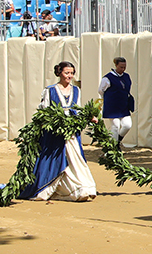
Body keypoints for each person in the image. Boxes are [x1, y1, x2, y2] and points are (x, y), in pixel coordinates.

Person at [21, 62, 97, 201]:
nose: (69, 76)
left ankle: (81, 187)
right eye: (67, 73)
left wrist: (89, 116)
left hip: (71, 132)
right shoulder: (50, 90)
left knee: (75, 158)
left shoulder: (76, 90)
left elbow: (78, 109)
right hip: (55, 133)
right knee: (55, 159)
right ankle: (54, 187)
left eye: (72, 73)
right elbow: (44, 110)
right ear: (59, 73)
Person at [98, 57, 135, 148]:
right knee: (115, 126)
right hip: (113, 106)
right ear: (116, 65)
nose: (123, 69)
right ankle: (113, 148)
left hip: (123, 105)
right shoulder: (108, 78)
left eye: (124, 67)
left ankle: (116, 141)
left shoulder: (126, 76)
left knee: (127, 125)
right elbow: (101, 90)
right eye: (121, 67)